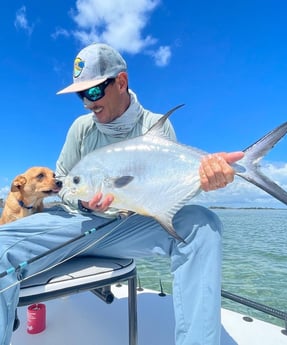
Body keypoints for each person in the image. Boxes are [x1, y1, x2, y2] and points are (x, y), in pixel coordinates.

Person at [0, 43, 244, 345]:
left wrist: (208, 178)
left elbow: (167, 198)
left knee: (203, 225)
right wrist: (81, 200)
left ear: (121, 82)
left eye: (93, 92)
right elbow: (63, 185)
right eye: (81, 95)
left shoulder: (157, 128)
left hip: (125, 231)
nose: (87, 103)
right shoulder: (80, 129)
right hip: (76, 224)